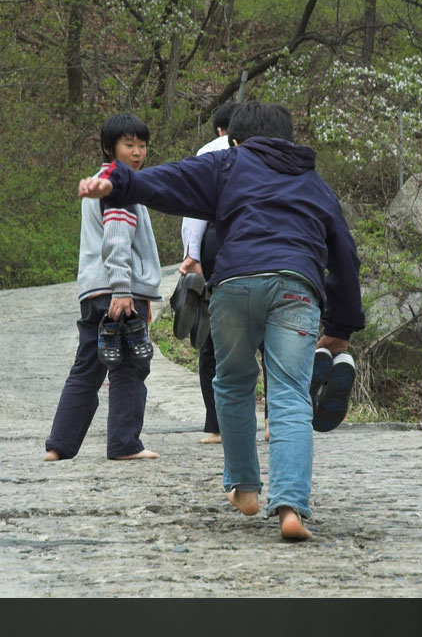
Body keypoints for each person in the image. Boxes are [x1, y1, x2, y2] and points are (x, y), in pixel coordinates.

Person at [78, 102, 365, 540]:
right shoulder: (314, 183)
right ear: (289, 139)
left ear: (234, 139)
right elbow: (344, 254)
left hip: (235, 287)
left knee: (233, 383)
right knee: (289, 394)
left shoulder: (227, 164)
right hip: (296, 287)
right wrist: (341, 327)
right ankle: (290, 508)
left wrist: (117, 181)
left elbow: (168, 181)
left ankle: (245, 489)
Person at [45, 113, 163, 462]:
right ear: (109, 147)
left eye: (142, 145)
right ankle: (125, 444)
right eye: (129, 145)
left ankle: (59, 445)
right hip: (116, 291)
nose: (138, 152)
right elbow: (116, 239)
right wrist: (124, 290)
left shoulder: (100, 181)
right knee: (130, 366)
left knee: (87, 366)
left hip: (94, 290)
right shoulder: (120, 185)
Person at [177, 102, 268, 445]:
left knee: (214, 336)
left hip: (218, 243)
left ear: (222, 130)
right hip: (264, 244)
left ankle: (216, 426)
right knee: (267, 334)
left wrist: (192, 255)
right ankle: (275, 420)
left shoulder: (210, 151)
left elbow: (193, 209)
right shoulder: (274, 152)